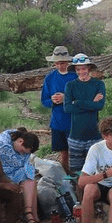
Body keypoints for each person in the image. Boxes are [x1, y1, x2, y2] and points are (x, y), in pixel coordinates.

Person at [0, 128, 49, 223]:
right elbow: (8, 165)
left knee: (30, 179)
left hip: (12, 172)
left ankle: (32, 216)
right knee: (27, 177)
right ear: (20, 141)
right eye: (23, 150)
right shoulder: (2, 145)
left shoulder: (18, 140)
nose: (22, 154)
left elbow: (24, 163)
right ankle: (30, 217)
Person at [64, 53, 106, 173]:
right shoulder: (70, 86)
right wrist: (90, 103)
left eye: (84, 68)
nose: (81, 72)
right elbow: (67, 109)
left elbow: (100, 105)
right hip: (75, 137)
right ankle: (78, 192)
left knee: (95, 172)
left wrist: (77, 102)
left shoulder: (98, 84)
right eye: (78, 69)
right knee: (76, 173)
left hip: (94, 137)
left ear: (89, 68)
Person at [41, 46, 78, 174]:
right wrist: (52, 100)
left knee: (76, 152)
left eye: (62, 62)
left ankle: (79, 178)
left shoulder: (75, 77)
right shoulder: (49, 78)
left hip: (74, 121)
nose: (59, 65)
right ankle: (67, 179)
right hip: (57, 122)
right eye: (56, 63)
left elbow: (82, 99)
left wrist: (65, 98)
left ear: (67, 62)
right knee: (63, 154)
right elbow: (44, 101)